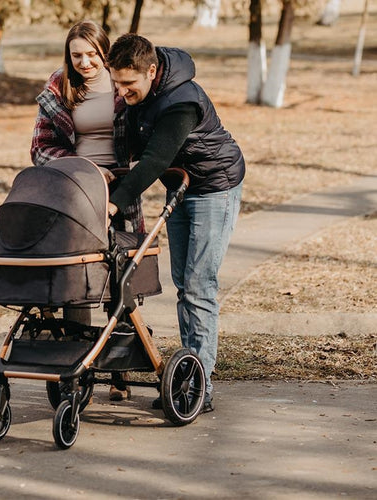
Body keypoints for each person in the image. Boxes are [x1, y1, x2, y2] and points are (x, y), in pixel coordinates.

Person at [106, 34, 245, 413]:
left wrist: (112, 205)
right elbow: (134, 151)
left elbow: (152, 162)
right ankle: (191, 371)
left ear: (152, 71)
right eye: (116, 82)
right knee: (184, 283)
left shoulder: (181, 101)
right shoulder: (143, 93)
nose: (121, 91)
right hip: (182, 186)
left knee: (199, 286)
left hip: (214, 186)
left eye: (128, 84)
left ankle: (200, 386)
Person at [30, 20, 140, 401]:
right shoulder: (59, 86)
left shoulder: (122, 83)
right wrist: (82, 169)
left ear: (105, 52)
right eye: (77, 55)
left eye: (93, 54)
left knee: (120, 279)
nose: (85, 62)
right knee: (76, 279)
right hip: (76, 190)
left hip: (121, 190)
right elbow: (40, 148)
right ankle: (77, 369)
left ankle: (120, 370)